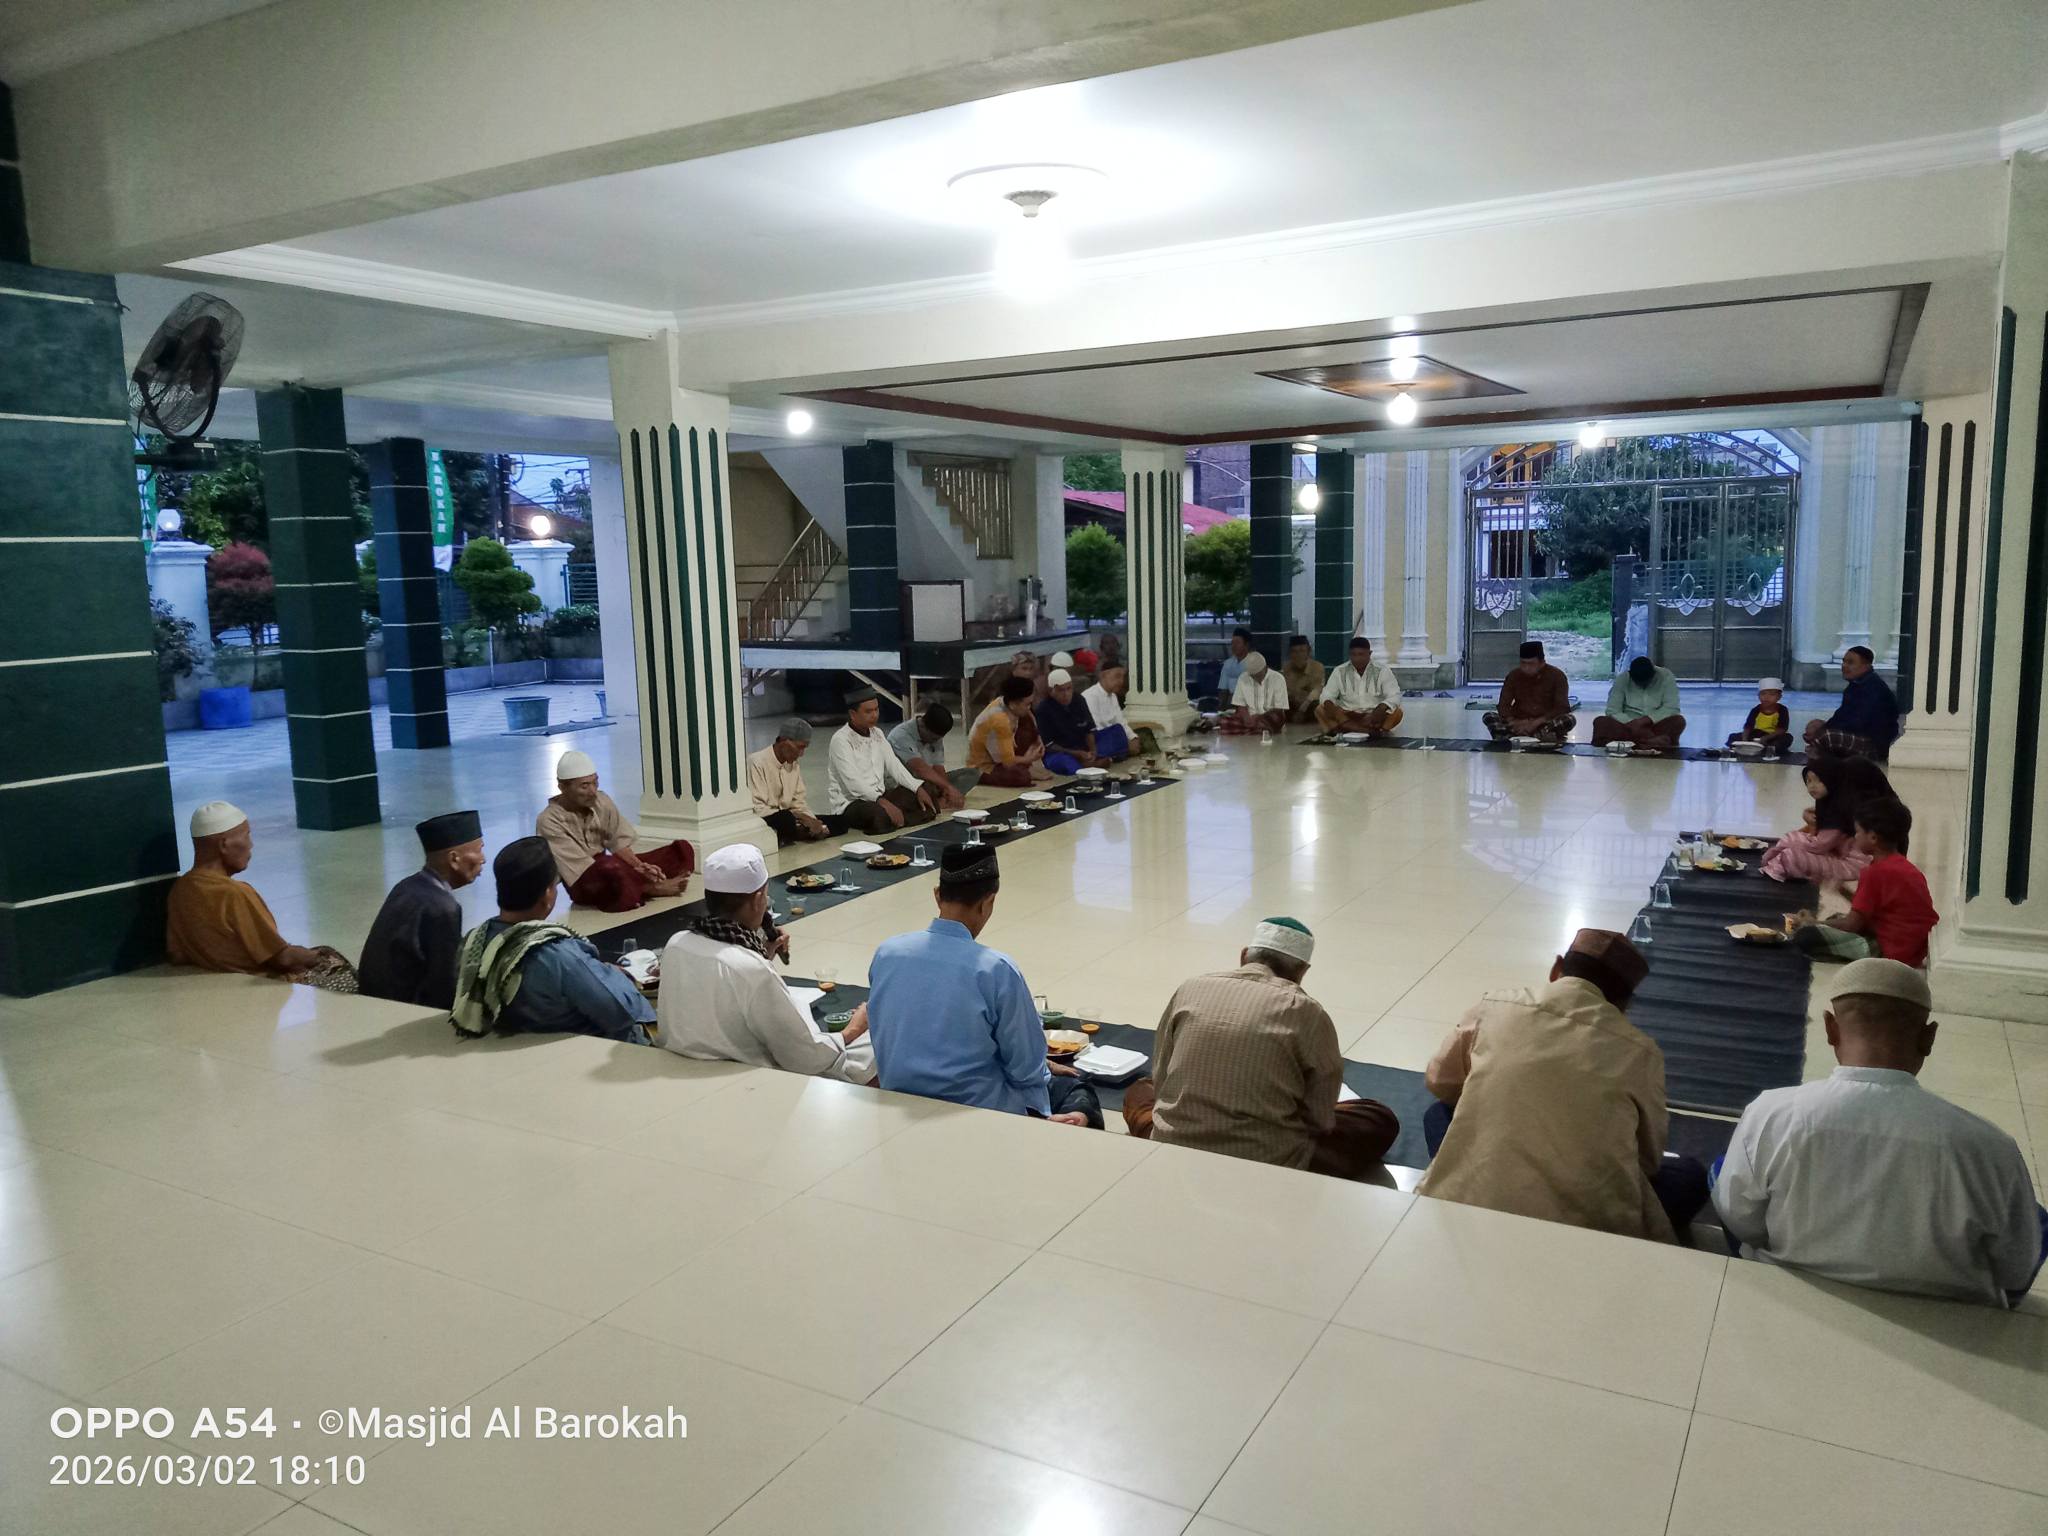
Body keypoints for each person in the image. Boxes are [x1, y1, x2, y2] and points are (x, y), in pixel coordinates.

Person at [1714, 959, 2045, 1307]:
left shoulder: (1771, 1114)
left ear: (1830, 1029)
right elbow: (2016, 1270)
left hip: (1795, 1290)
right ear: (1928, 1037)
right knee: (2036, 1219)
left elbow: (1741, 1220)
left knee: (1727, 1169)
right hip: (1945, 1311)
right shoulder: (1990, 1148)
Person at [1418, 929, 1707, 1244]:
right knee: (1689, 1176)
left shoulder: (1495, 1006)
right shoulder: (1641, 1052)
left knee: (1439, 1114)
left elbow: (1440, 1082)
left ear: (1557, 969)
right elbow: (1648, 1159)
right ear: (1624, 1003)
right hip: (1589, 1229)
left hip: (1474, 1199)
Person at [1128, 918, 1400, 1182]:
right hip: (1268, 1162)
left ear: (1244, 955)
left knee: (1140, 1089)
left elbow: (1161, 1077)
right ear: (1302, 971)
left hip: (1174, 1146)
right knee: (1377, 1118)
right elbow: (1320, 1119)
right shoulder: (1306, 1011)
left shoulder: (1191, 988)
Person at [867, 844, 1109, 1127]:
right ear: (988, 902)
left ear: (937, 895)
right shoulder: (995, 968)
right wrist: (1041, 1101)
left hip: (898, 1102)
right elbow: (1025, 1069)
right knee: (1078, 1089)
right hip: (978, 1114)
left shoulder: (888, 952)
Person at [658, 844, 875, 1084]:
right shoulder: (750, 968)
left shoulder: (676, 943)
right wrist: (853, 1030)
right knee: (876, 1042)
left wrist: (761, 957)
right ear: (758, 899)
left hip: (682, 1068)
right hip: (744, 1080)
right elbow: (806, 1057)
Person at [449, 837, 654, 1044]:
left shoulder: (473, 941)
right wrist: (620, 977)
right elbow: (619, 1012)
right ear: (547, 894)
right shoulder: (556, 954)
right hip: (575, 1049)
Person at [166, 801, 357, 991]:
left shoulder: (180, 889)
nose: (251, 845)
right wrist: (318, 956)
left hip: (216, 985)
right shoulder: (234, 894)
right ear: (224, 845)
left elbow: (178, 955)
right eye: (247, 836)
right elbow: (282, 958)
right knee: (334, 963)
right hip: (257, 985)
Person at [358, 809, 486, 1009]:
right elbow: (444, 984)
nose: (483, 859)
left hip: (372, 1001)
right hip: (404, 1011)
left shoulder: (406, 886)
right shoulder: (444, 908)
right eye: (478, 850)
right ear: (454, 859)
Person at [1787, 797, 1938, 966]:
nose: (1855, 837)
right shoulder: (1906, 867)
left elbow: (1852, 925)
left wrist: (1812, 923)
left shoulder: (1875, 872)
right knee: (1835, 918)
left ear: (1873, 838)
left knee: (1807, 935)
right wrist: (1843, 891)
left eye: (1858, 832)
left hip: (1889, 952)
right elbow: (1876, 908)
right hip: (1914, 948)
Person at [537, 750, 693, 911]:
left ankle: (635, 885)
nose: (592, 791)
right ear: (562, 787)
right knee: (610, 867)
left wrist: (641, 867)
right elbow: (580, 869)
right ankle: (651, 888)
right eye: (585, 786)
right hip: (585, 882)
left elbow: (618, 842)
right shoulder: (548, 821)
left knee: (681, 850)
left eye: (595, 783)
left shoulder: (601, 801)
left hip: (613, 868)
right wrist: (635, 873)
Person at [1762, 756, 1894, 884]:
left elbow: (1820, 845)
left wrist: (1782, 847)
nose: (1812, 786)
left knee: (1791, 856)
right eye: (1809, 781)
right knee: (1791, 841)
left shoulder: (1848, 808)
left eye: (1819, 780)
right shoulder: (1835, 802)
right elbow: (1820, 836)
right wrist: (1811, 823)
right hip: (1839, 851)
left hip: (1854, 864)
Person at [825, 689, 935, 833]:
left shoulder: (877, 733)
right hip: (852, 803)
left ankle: (897, 820)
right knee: (878, 815)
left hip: (881, 796)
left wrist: (917, 787)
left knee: (927, 791)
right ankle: (900, 818)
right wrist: (882, 803)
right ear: (853, 714)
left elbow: (894, 765)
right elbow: (853, 784)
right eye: (868, 711)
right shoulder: (841, 740)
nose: (874, 715)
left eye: (876, 710)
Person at [1804, 646, 1900, 761]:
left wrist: (1824, 730)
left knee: (1827, 736)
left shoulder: (1874, 688)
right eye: (1844, 662)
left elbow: (1859, 723)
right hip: (1858, 735)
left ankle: (1820, 755)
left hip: (1874, 745)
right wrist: (1821, 727)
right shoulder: (1855, 685)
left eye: (1850, 662)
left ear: (1866, 666)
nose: (1844, 666)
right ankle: (1821, 751)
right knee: (1816, 726)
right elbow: (1841, 716)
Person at [748, 719, 834, 845]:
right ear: (784, 741)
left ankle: (803, 831)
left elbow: (798, 802)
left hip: (792, 817)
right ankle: (798, 832)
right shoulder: (756, 762)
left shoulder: (793, 764)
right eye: (799, 747)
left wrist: (812, 821)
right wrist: (799, 817)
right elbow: (757, 809)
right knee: (785, 819)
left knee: (838, 822)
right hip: (768, 819)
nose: (801, 754)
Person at [887, 704, 978, 810]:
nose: (935, 741)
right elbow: (919, 768)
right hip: (907, 783)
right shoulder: (901, 736)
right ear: (923, 726)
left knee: (972, 773)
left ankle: (942, 800)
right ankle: (935, 803)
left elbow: (938, 766)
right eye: (933, 738)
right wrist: (948, 787)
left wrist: (945, 790)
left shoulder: (935, 736)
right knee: (913, 791)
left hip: (928, 780)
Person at [1484, 641, 1575, 743]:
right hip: (1517, 723)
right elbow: (1503, 705)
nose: (1526, 667)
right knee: (1489, 716)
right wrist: (1513, 721)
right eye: (1523, 663)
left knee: (1569, 719)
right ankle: (1536, 737)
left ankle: (1512, 737)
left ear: (1542, 663)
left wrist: (1536, 722)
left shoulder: (1557, 676)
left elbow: (1562, 707)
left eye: (1531, 664)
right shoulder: (1514, 675)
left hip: (1543, 723)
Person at [968, 675, 1049, 788]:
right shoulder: (999, 720)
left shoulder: (1004, 701)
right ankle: (1024, 769)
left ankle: (1024, 767)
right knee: (1021, 777)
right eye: (1027, 704)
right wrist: (1029, 759)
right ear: (1013, 704)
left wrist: (1038, 741)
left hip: (1002, 757)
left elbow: (1031, 720)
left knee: (1027, 721)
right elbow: (1007, 762)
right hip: (984, 766)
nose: (1029, 707)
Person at [1314, 636, 1403, 735]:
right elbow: (1327, 695)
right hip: (1347, 715)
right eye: (1353, 655)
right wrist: (1330, 706)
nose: (1357, 659)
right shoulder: (1339, 671)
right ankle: (1370, 732)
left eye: (1361, 654)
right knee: (1320, 709)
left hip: (1373, 716)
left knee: (1396, 712)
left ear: (1369, 654)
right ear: (1349, 654)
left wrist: (1381, 708)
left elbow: (1394, 695)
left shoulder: (1382, 671)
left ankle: (1346, 729)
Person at [1593, 656, 1686, 748]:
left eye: (1646, 682)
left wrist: (1645, 721)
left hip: (1655, 725)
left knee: (1678, 721)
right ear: (1630, 675)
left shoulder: (1666, 677)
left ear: (1654, 674)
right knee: (1601, 722)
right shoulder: (1622, 679)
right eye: (1638, 682)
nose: (1643, 685)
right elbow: (1613, 710)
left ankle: (1635, 742)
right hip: (1627, 726)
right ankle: (1650, 742)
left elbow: (1671, 708)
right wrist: (1633, 724)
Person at [1033, 667, 1099, 772]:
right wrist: (1077, 753)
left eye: (1069, 689)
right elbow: (1049, 745)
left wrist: (1093, 751)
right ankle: (1088, 765)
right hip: (1061, 752)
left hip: (1083, 747)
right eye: (1061, 690)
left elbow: (1089, 729)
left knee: (1116, 732)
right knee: (1065, 763)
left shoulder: (1079, 700)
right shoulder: (1043, 709)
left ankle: (1089, 763)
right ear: (1051, 691)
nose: (1066, 694)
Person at [1222, 650, 1289, 735]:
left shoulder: (1278, 678)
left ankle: (1252, 730)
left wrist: (1258, 717)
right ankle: (1256, 730)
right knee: (1224, 722)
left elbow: (1279, 709)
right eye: (1253, 676)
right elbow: (1240, 705)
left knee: (1275, 718)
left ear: (1265, 668)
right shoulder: (1243, 678)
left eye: (1258, 675)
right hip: (1250, 718)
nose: (1256, 679)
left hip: (1268, 717)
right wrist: (1246, 718)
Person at [1728, 676, 1794, 755]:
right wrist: (1744, 740)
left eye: (1772, 694)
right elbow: (1748, 726)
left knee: (1787, 738)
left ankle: (1768, 749)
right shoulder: (1756, 710)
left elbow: (1782, 729)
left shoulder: (1782, 710)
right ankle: (1748, 747)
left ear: (1779, 697)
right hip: (1756, 735)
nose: (1766, 697)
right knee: (1733, 737)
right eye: (1763, 694)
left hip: (1772, 736)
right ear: (1758, 696)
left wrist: (1766, 738)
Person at [1081, 664, 1132, 760]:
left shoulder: (1113, 696)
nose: (1121, 681)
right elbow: (1095, 728)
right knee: (1117, 730)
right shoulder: (1090, 696)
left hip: (1112, 737)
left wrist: (1132, 737)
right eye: (1117, 676)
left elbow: (1121, 721)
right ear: (1103, 675)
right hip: (1096, 740)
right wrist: (1123, 740)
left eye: (1122, 677)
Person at [1282, 635, 1327, 724]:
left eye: (1302, 651)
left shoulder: (1317, 667)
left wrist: (1301, 710)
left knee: (1321, 707)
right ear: (1290, 654)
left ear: (1308, 652)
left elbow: (1316, 691)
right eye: (1294, 652)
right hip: (1293, 704)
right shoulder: (1286, 668)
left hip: (1309, 704)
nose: (1298, 655)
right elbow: (1285, 693)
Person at [1212, 627, 1253, 708]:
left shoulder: (1254, 663)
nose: (1234, 646)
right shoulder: (1228, 663)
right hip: (1230, 704)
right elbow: (1223, 690)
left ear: (1246, 645)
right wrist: (1221, 709)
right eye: (1232, 643)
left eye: (1237, 643)